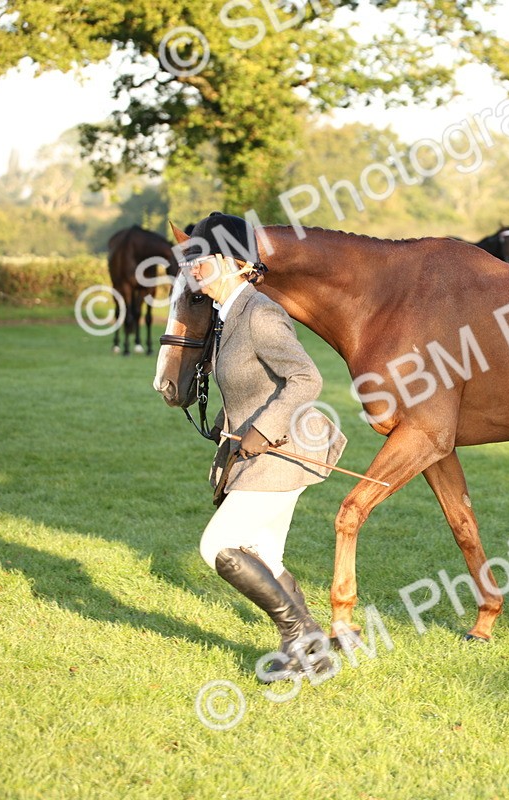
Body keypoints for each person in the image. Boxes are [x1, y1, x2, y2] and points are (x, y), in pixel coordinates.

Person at [185, 211, 347, 682]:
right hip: (260, 451)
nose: (194, 266)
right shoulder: (226, 316)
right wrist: (227, 424)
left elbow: (305, 378)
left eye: (203, 257)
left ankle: (298, 636)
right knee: (263, 553)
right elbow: (250, 386)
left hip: (285, 449)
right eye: (190, 257)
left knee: (219, 545)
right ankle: (314, 653)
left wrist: (262, 430)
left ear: (236, 263)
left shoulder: (261, 313)